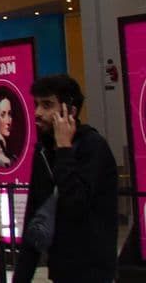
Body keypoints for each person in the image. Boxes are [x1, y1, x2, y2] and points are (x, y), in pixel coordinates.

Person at [14, 74, 118, 283]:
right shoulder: (44, 151)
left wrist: (64, 150)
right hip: (61, 270)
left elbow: (76, 204)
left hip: (93, 271)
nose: (38, 113)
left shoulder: (93, 146)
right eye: (36, 105)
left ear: (70, 110)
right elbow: (35, 215)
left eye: (47, 105)